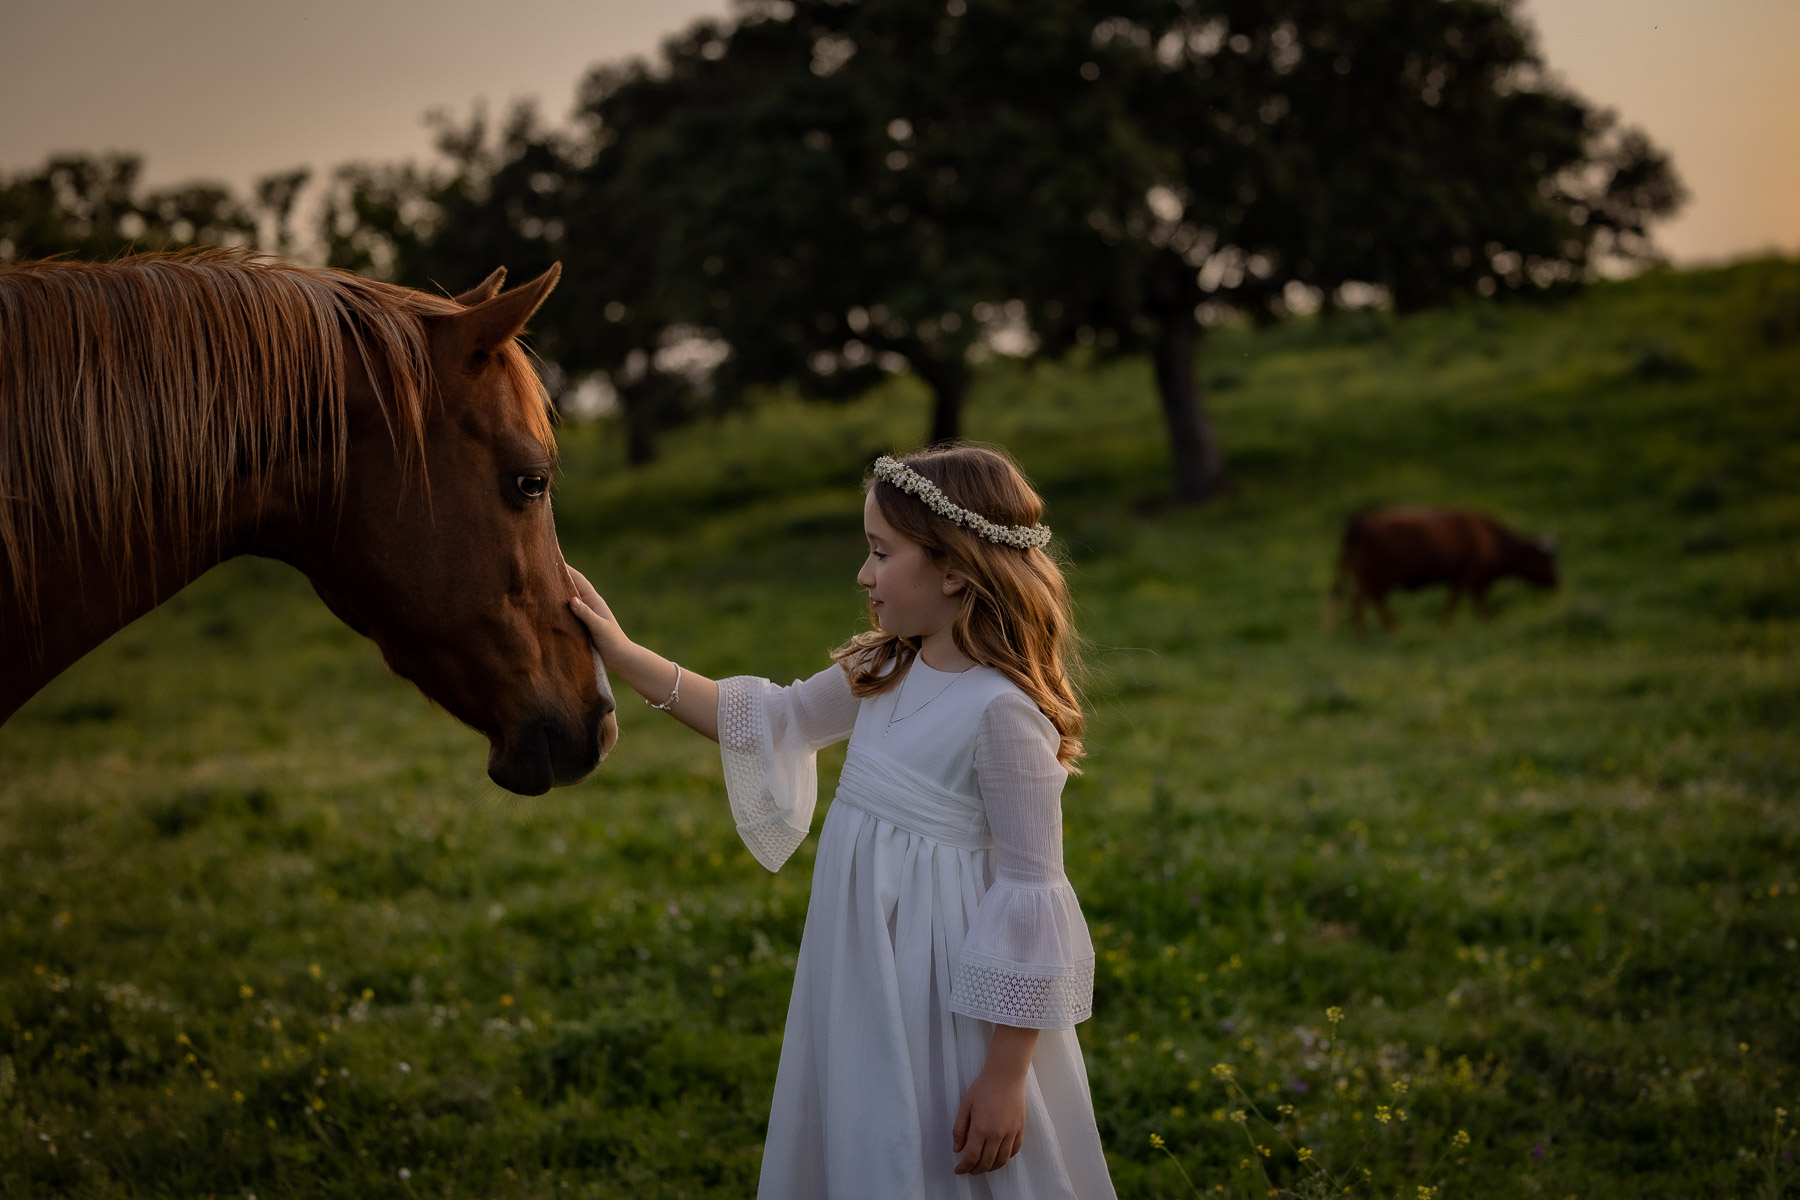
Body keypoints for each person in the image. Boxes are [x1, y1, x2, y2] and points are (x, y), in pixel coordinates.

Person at [566, 444, 1115, 1199]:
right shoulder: (883, 668)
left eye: (881, 553)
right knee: (868, 1132)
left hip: (947, 989)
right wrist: (624, 655)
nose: (863, 575)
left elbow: (1031, 892)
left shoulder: (1003, 714)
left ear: (954, 569)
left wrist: (1005, 1074)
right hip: (863, 968)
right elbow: (767, 716)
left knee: (935, 1145)